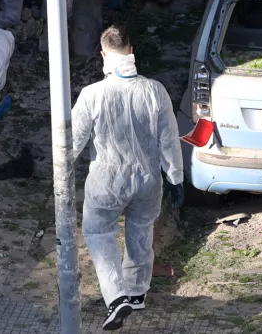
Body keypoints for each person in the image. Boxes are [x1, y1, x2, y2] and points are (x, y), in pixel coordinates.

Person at [70, 25, 185, 331]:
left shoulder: (92, 94)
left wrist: (61, 170)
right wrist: (176, 175)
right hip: (148, 179)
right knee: (140, 231)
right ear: (132, 51)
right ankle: (136, 293)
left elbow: (73, 140)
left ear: (103, 54)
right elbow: (169, 138)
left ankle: (116, 295)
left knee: (98, 233)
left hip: (106, 179)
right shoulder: (155, 90)